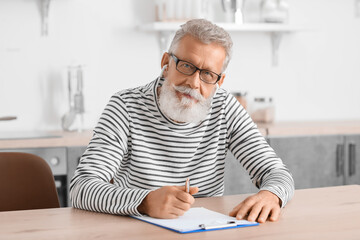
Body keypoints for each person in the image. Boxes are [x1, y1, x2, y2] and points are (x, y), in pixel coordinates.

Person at [70, 19, 294, 223]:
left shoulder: (225, 107)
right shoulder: (125, 106)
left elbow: (277, 173)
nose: (194, 83)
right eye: (187, 65)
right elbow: (82, 188)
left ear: (219, 81)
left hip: (204, 230)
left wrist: (271, 195)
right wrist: (145, 201)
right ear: (166, 63)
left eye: (207, 74)